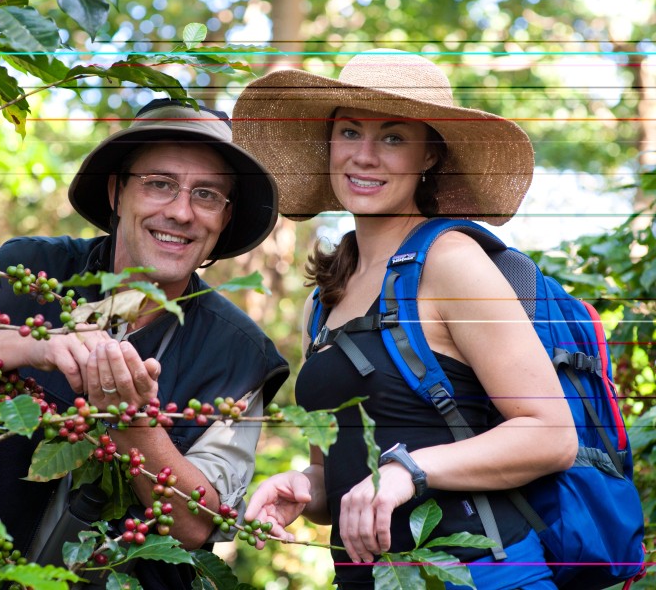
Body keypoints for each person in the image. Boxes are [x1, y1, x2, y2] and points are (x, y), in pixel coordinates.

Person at [0, 98, 289, 587]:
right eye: (159, 184)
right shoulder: (30, 270)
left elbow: (195, 522)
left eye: (207, 195)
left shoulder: (240, 353)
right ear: (116, 191)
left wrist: (133, 424)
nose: (182, 212)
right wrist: (31, 346)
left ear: (225, 219)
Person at [232, 50, 578, 589]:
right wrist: (302, 485)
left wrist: (407, 472)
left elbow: (551, 436)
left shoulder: (451, 261)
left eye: (392, 138)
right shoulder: (324, 298)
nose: (364, 156)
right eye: (349, 132)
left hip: (486, 575)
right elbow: (341, 472)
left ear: (430, 156)